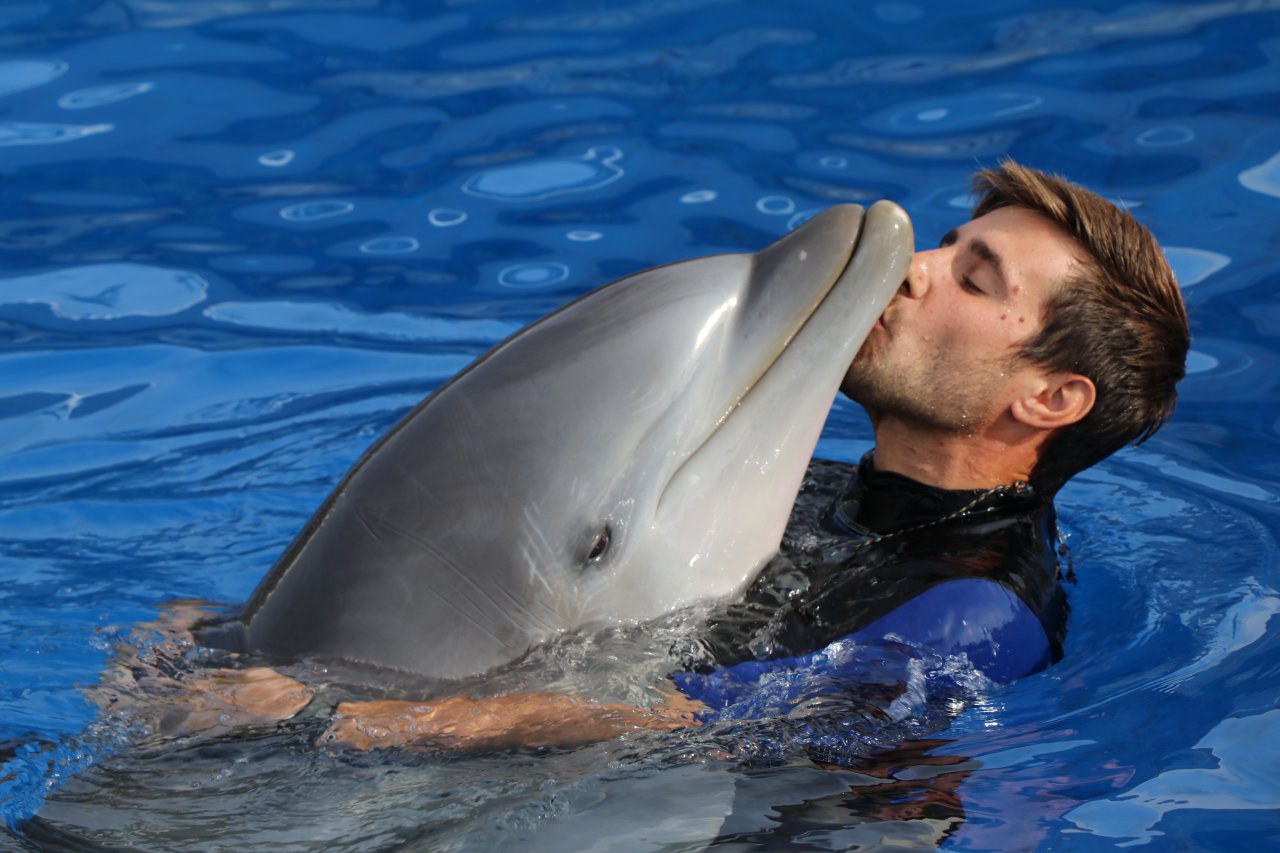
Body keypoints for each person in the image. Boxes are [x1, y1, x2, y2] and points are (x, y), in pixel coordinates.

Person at [127, 161, 1190, 751]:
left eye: (972, 278)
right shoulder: (826, 498)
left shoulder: (977, 612)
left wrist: (356, 722)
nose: (909, 270)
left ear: (1047, 396)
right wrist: (203, 652)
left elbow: (698, 725)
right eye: (946, 247)